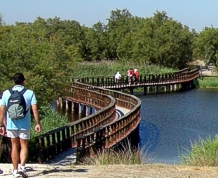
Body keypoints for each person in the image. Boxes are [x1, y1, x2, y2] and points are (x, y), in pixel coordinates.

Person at [0, 73, 41, 178]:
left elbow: (2, 110)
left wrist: (1, 125)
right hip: (25, 124)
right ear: (24, 81)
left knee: (14, 146)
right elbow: (34, 109)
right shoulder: (30, 93)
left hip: (11, 124)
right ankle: (22, 167)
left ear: (14, 81)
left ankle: (14, 170)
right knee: (24, 146)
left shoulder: (6, 93)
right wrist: (37, 123)